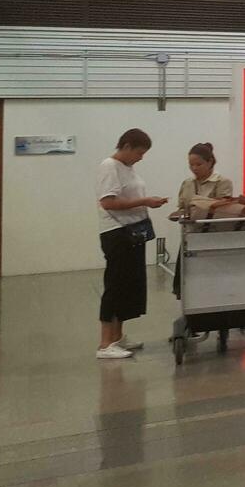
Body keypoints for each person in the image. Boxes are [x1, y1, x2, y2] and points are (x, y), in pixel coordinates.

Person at [95, 129, 165, 359]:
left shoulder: (128, 168)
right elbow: (108, 202)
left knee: (128, 285)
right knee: (115, 285)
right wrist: (145, 201)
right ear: (126, 146)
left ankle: (117, 336)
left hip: (133, 232)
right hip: (117, 233)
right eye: (139, 152)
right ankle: (105, 343)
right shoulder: (109, 166)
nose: (141, 157)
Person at [170, 142, 237, 219]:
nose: (194, 168)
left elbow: (222, 210)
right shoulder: (187, 183)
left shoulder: (222, 182)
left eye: (199, 164)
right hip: (189, 229)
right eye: (191, 165)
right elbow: (182, 208)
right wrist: (177, 214)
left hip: (212, 229)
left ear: (210, 162)